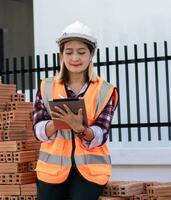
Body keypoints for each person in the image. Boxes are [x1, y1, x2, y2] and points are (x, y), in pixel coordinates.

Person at [33, 21, 119, 200]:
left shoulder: (105, 90)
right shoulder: (46, 87)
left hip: (90, 170)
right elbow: (38, 130)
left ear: (91, 55)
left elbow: (101, 133)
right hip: (52, 169)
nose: (75, 58)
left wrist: (80, 128)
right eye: (69, 52)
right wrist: (57, 124)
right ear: (61, 55)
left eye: (81, 52)